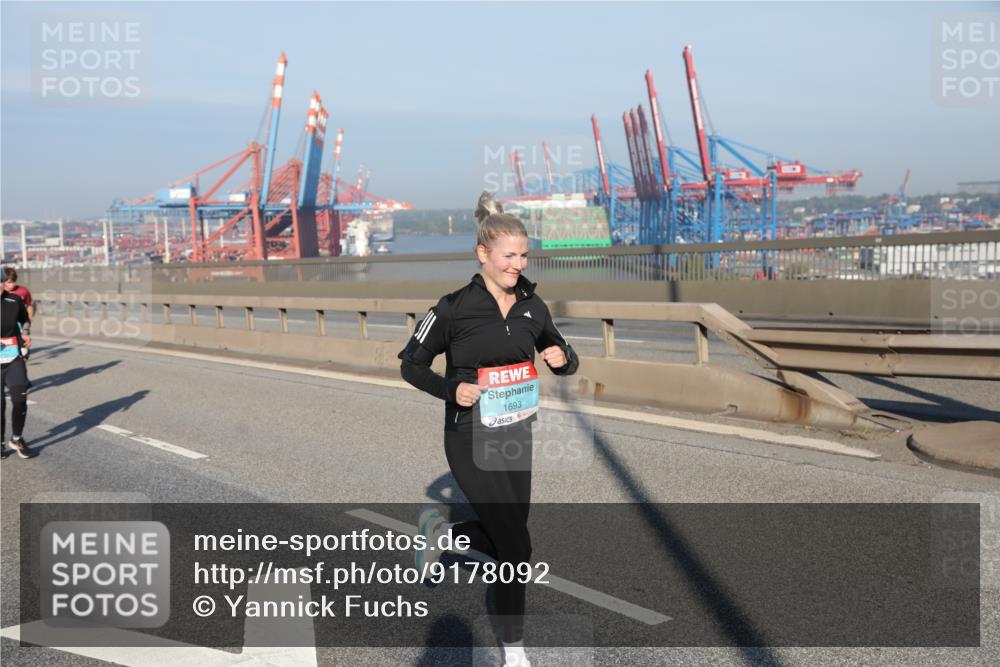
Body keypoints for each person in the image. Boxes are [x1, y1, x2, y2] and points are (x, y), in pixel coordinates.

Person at [399, 192, 579, 667]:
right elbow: (411, 366)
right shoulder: (453, 308)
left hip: (515, 433)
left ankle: (445, 529)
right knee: (518, 546)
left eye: (523, 255)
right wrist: (449, 391)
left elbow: (561, 351)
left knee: (510, 541)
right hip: (468, 435)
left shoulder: (532, 306)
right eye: (508, 256)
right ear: (483, 254)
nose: (517, 264)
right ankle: (514, 650)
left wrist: (563, 360)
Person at [1, 284, 34, 459]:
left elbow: (25, 319)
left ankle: (17, 438)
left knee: (20, 398)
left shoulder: (14, 300)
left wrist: (26, 333)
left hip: (13, 357)